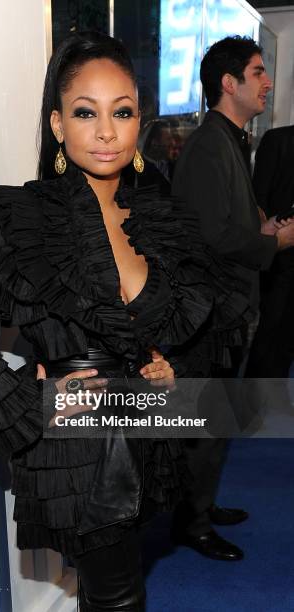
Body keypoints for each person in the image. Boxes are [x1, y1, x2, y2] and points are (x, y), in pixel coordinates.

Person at [0, 32, 251, 610]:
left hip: (145, 436)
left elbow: (199, 318)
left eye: (123, 112)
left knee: (109, 585)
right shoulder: (27, 221)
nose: (106, 131)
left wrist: (166, 366)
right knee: (119, 596)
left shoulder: (155, 213)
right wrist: (32, 400)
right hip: (79, 451)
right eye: (86, 112)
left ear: (139, 123)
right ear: (58, 125)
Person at [172, 36, 294, 562]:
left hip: (225, 309)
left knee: (213, 425)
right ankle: (192, 523)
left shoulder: (229, 140)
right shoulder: (208, 146)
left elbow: (226, 223)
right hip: (211, 315)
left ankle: (200, 507)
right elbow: (211, 237)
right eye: (258, 71)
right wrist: (274, 241)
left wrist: (260, 225)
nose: (268, 82)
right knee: (204, 425)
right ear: (229, 83)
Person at [245, 125, 294, 397]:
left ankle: (275, 394)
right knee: (271, 324)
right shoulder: (278, 140)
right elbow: (258, 199)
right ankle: (252, 398)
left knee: (288, 331)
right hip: (277, 250)